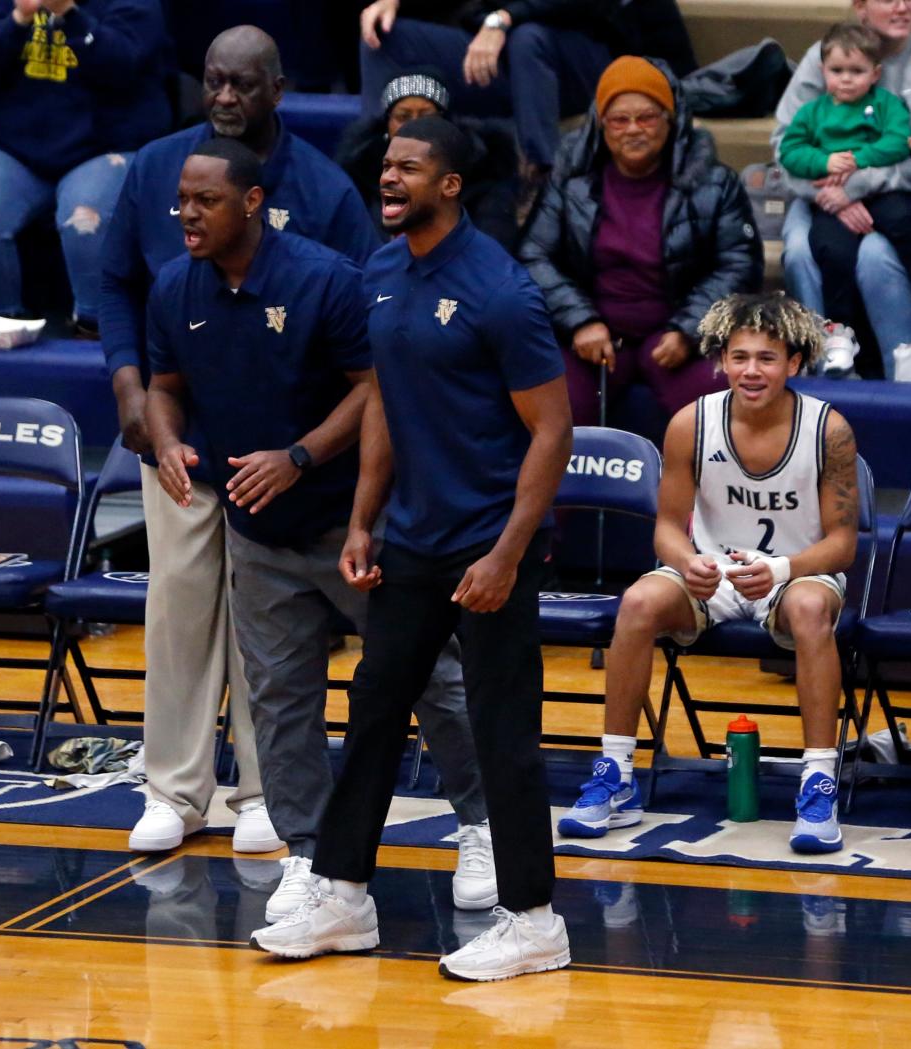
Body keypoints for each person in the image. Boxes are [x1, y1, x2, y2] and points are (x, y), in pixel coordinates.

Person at [250, 115, 574, 983]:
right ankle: (344, 891)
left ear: (452, 185)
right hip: (415, 540)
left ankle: (534, 919)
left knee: (504, 734)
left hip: (490, 547)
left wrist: (509, 552)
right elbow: (388, 404)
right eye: (386, 165)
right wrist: (364, 517)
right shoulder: (383, 272)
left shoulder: (501, 290)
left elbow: (553, 431)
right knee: (374, 710)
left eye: (409, 168)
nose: (389, 178)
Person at [144, 137, 494, 919]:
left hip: (354, 524)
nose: (187, 216)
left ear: (253, 202)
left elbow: (375, 391)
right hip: (255, 530)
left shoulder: (325, 280)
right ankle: (311, 854)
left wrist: (299, 456)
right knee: (279, 698)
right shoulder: (174, 287)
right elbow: (163, 387)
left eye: (204, 201)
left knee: (429, 679)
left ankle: (484, 823)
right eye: (181, 202)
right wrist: (166, 441)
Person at [99, 26, 381, 857]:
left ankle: (263, 791)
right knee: (177, 612)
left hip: (284, 460)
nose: (224, 99)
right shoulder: (157, 166)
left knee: (276, 632)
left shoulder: (326, 191)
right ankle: (174, 789)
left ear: (278, 90)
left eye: (242, 86)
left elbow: (363, 334)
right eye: (213, 82)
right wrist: (128, 385)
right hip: (182, 441)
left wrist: (310, 453)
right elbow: (116, 282)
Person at [558, 291, 859, 855]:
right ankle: (616, 775)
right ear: (721, 359)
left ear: (795, 362)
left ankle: (818, 783)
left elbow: (842, 544)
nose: (751, 370)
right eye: (739, 356)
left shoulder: (829, 429)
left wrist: (783, 569)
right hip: (713, 573)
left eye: (767, 358)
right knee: (639, 602)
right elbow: (667, 528)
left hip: (796, 573)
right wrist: (686, 562)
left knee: (813, 608)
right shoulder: (690, 423)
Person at [519, 56, 763, 428]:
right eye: (619, 120)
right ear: (601, 126)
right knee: (553, 417)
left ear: (671, 120)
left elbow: (740, 263)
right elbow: (533, 255)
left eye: (647, 117)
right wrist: (580, 320)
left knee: (725, 416)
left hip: (675, 338)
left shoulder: (715, 183)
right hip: (593, 340)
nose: (633, 130)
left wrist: (689, 330)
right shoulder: (571, 182)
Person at [0, 0, 171, 331]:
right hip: (19, 149)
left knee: (84, 219)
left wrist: (69, 15)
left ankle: (98, 335)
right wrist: (18, 20)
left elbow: (123, 67)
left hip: (105, 145)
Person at [357, 0, 696, 186]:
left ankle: (545, 179)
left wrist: (505, 18)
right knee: (384, 37)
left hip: (593, 61)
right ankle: (381, 166)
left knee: (529, 37)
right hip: (501, 57)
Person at [772, 0, 911, 380]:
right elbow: (786, 149)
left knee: (875, 253)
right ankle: (822, 363)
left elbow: (904, 144)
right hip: (821, 193)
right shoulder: (824, 56)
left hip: (897, 191)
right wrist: (829, 196)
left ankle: (900, 365)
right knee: (802, 249)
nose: (902, 7)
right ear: (861, 7)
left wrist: (858, 186)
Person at [335, 65, 520, 249]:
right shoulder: (359, 175)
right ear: (386, 125)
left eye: (426, 116)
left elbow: (491, 249)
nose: (416, 128)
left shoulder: (483, 172)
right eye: (403, 117)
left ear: (446, 123)